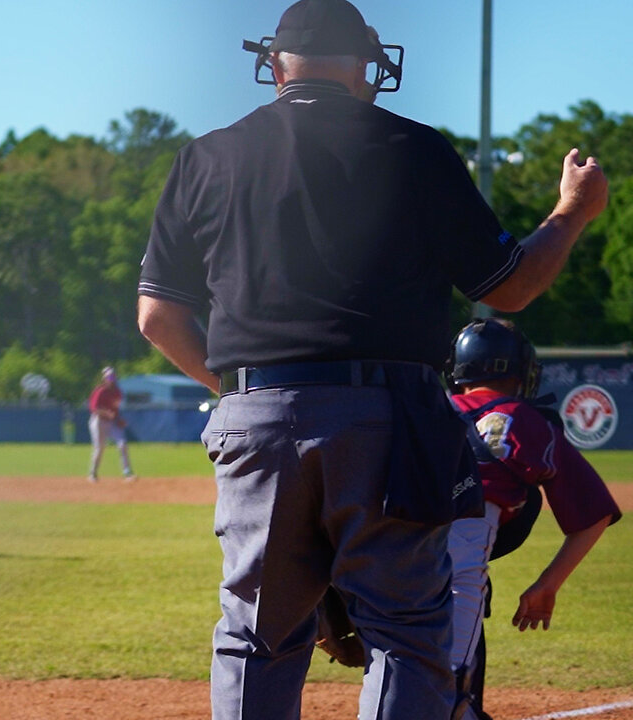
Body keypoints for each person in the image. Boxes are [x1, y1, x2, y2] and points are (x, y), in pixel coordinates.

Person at [134, 1, 608, 718]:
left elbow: (157, 316)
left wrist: (241, 392)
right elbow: (509, 286)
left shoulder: (207, 157)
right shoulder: (414, 149)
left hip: (255, 416)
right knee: (406, 637)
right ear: (366, 65)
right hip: (389, 422)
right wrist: (572, 211)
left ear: (273, 65)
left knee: (257, 639)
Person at [446, 318, 621, 719]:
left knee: (395, 671)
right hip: (462, 552)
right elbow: (592, 514)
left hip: (378, 551)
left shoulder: (423, 407)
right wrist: (547, 584)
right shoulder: (527, 420)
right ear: (522, 371)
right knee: (449, 693)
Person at [86, 366, 136, 483]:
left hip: (112, 421)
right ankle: (93, 473)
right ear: (105, 378)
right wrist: (106, 413)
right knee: (100, 448)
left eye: (113, 376)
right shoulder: (100, 391)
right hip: (98, 421)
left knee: (122, 444)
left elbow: (115, 409)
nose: (111, 379)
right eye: (109, 377)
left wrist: (118, 419)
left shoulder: (118, 392)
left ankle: (127, 473)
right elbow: (94, 408)